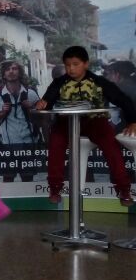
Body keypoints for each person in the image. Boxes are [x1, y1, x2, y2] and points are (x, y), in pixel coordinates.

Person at [36, 46, 136, 205]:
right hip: (65, 122)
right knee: (55, 145)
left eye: (75, 64)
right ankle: (55, 188)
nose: (71, 68)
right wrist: (43, 103)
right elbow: (48, 100)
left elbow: (122, 99)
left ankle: (124, 190)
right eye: (68, 65)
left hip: (95, 121)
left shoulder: (99, 81)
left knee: (112, 149)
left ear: (86, 64)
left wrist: (132, 121)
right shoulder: (59, 82)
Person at [0, 60, 41, 182]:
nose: (11, 72)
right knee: (8, 178)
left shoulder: (31, 94)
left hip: (28, 142)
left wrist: (31, 108)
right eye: (8, 69)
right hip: (7, 143)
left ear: (19, 72)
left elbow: (42, 118)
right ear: (3, 74)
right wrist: (2, 113)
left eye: (14, 68)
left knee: (28, 177)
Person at [103, 60, 136, 132]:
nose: (107, 77)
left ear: (117, 75)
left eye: (109, 74)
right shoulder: (132, 86)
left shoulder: (119, 91)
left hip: (125, 134)